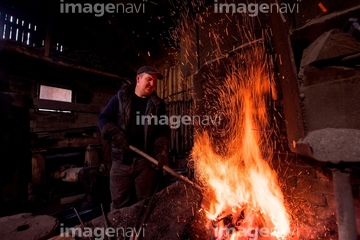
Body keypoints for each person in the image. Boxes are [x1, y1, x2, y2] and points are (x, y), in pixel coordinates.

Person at [98, 66, 170, 210]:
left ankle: (143, 232)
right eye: (149, 79)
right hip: (121, 162)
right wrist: (115, 133)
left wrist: (160, 149)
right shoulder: (121, 98)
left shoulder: (157, 105)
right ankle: (120, 232)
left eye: (154, 81)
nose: (152, 84)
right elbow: (103, 119)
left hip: (145, 163)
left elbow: (163, 130)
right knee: (119, 205)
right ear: (138, 79)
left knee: (145, 204)